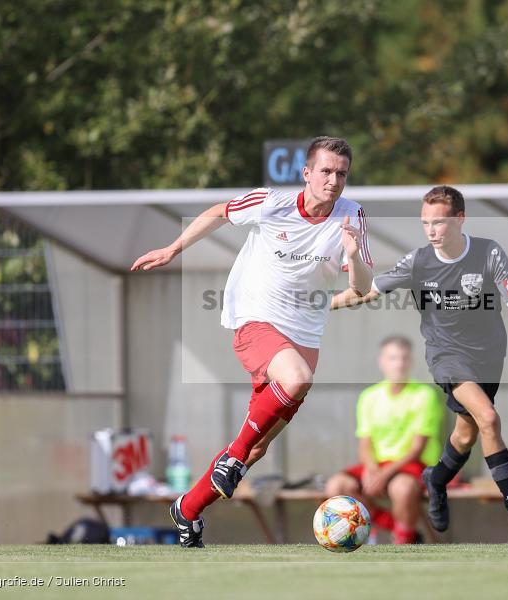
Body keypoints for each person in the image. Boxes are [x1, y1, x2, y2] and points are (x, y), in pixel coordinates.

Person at [131, 136, 373, 548]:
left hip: (305, 332)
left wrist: (354, 252)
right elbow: (219, 213)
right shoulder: (272, 202)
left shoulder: (351, 217)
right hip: (254, 318)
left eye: (342, 174)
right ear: (307, 173)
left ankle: (187, 509)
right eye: (327, 171)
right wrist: (175, 248)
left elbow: (363, 288)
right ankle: (232, 457)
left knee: (257, 447)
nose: (334, 181)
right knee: (293, 382)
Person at [332, 185, 508, 540]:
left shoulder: (489, 253)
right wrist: (319, 305)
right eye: (425, 222)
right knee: (489, 418)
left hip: (489, 358)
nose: (431, 230)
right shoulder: (418, 261)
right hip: (447, 357)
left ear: (460, 219)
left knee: (467, 432)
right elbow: (366, 292)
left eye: (439, 222)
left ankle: (437, 477)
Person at [325, 335, 443, 544]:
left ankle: (403, 542)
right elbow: (365, 443)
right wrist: (372, 470)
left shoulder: (425, 395)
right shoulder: (369, 397)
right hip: (378, 466)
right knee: (336, 487)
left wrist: (383, 474)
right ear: (381, 361)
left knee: (403, 489)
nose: (399, 363)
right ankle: (401, 531)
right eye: (393, 358)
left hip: (413, 465)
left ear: (411, 362)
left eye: (404, 358)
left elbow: (417, 448)